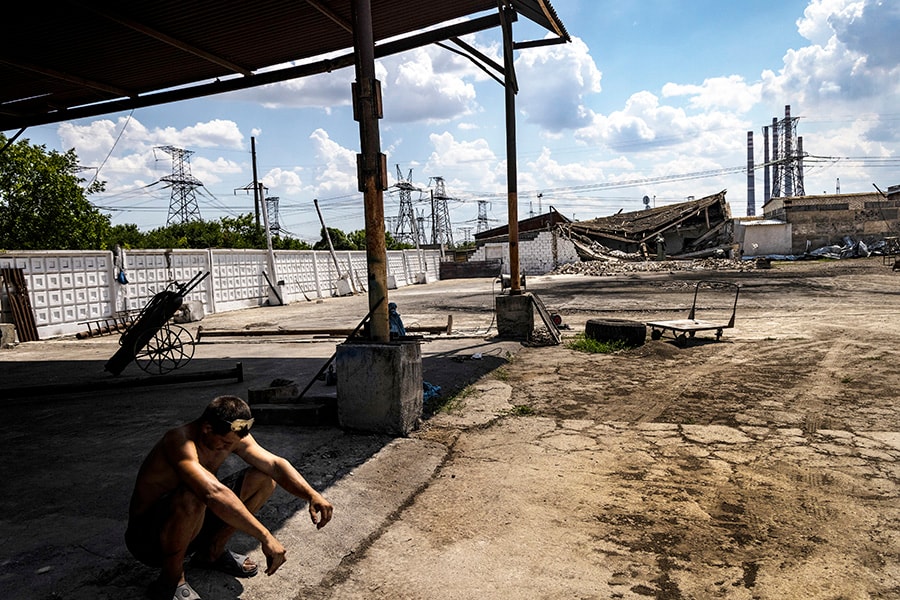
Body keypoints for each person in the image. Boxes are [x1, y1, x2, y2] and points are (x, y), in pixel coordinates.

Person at [126, 395, 333, 600]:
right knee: (194, 494)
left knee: (263, 478)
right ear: (207, 428)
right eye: (225, 443)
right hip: (148, 540)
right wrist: (265, 536)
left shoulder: (233, 432)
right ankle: (170, 580)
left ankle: (211, 553)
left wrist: (312, 495)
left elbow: (275, 465)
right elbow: (213, 493)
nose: (228, 448)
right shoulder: (179, 442)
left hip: (193, 523)